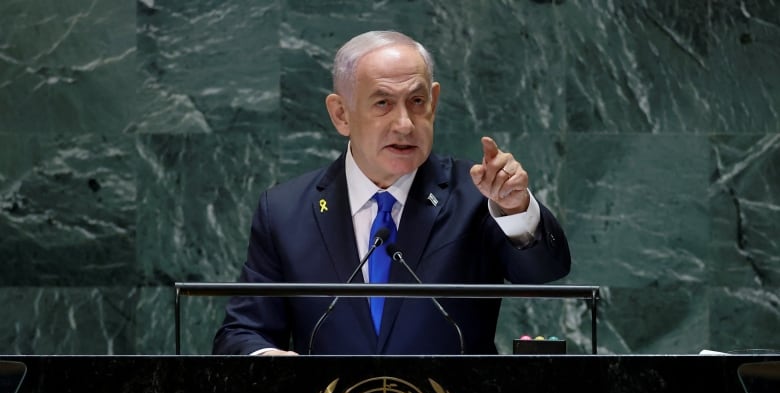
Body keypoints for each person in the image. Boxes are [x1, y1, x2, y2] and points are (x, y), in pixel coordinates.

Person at [212, 30, 570, 356]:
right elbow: (242, 331)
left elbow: (544, 273)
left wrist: (516, 209)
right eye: (383, 103)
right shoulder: (286, 211)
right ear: (341, 114)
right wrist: (266, 360)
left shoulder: (476, 195)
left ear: (434, 101)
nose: (404, 124)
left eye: (416, 101)